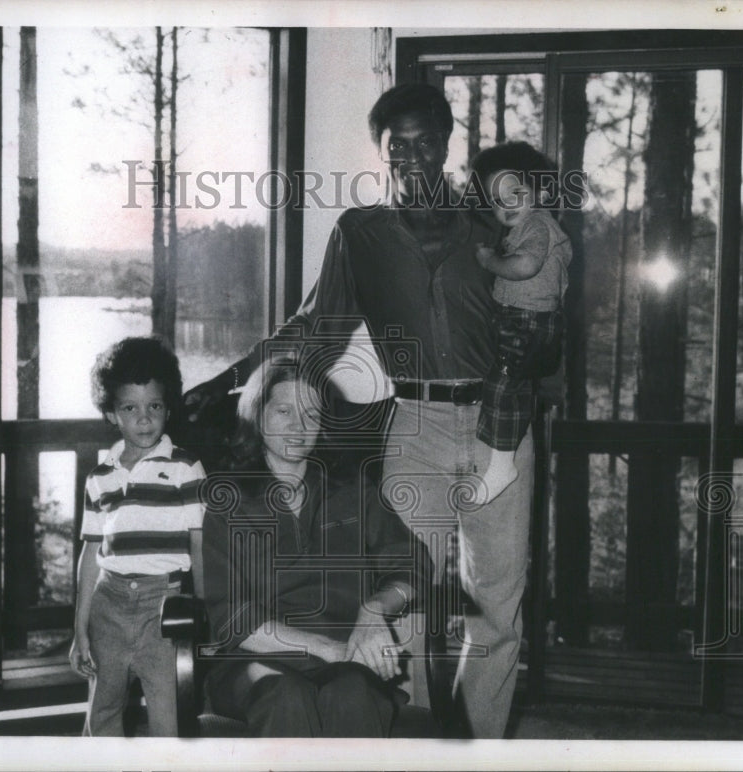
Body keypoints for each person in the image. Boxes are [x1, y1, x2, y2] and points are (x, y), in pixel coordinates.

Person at [185, 82, 535, 738]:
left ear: (447, 143)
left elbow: (546, 335)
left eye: (423, 141)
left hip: (498, 426)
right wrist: (229, 380)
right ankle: (401, 735)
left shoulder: (497, 226)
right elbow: (314, 330)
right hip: (416, 424)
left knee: (496, 609)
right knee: (401, 599)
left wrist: (535, 346)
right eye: (394, 146)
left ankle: (475, 745)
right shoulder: (359, 233)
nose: (410, 157)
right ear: (381, 154)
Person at [201, 356, 432, 737]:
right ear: (257, 417)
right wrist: (325, 647)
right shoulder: (230, 502)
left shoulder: (353, 491)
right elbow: (233, 619)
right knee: (284, 693)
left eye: (311, 413)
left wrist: (375, 609)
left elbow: (414, 564)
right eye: (283, 410)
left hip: (347, 661)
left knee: (353, 692)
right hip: (256, 662)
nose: (299, 426)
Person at [70, 336, 205, 737]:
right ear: (112, 413)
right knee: (102, 711)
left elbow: (199, 545)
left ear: (168, 408)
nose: (144, 419)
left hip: (163, 605)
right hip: (108, 605)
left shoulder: (186, 468)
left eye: (154, 407)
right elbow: (91, 553)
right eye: (130, 408)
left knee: (169, 715)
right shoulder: (100, 477)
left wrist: (203, 609)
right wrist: (80, 628)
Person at [470, 142, 572, 504]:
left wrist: (489, 262)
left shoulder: (538, 225)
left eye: (515, 193)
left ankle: (501, 464)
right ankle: (500, 455)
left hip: (528, 320)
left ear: (540, 191)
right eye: (497, 201)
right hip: (519, 318)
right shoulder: (529, 224)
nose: (506, 205)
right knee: (510, 387)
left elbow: (525, 267)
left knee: (501, 385)